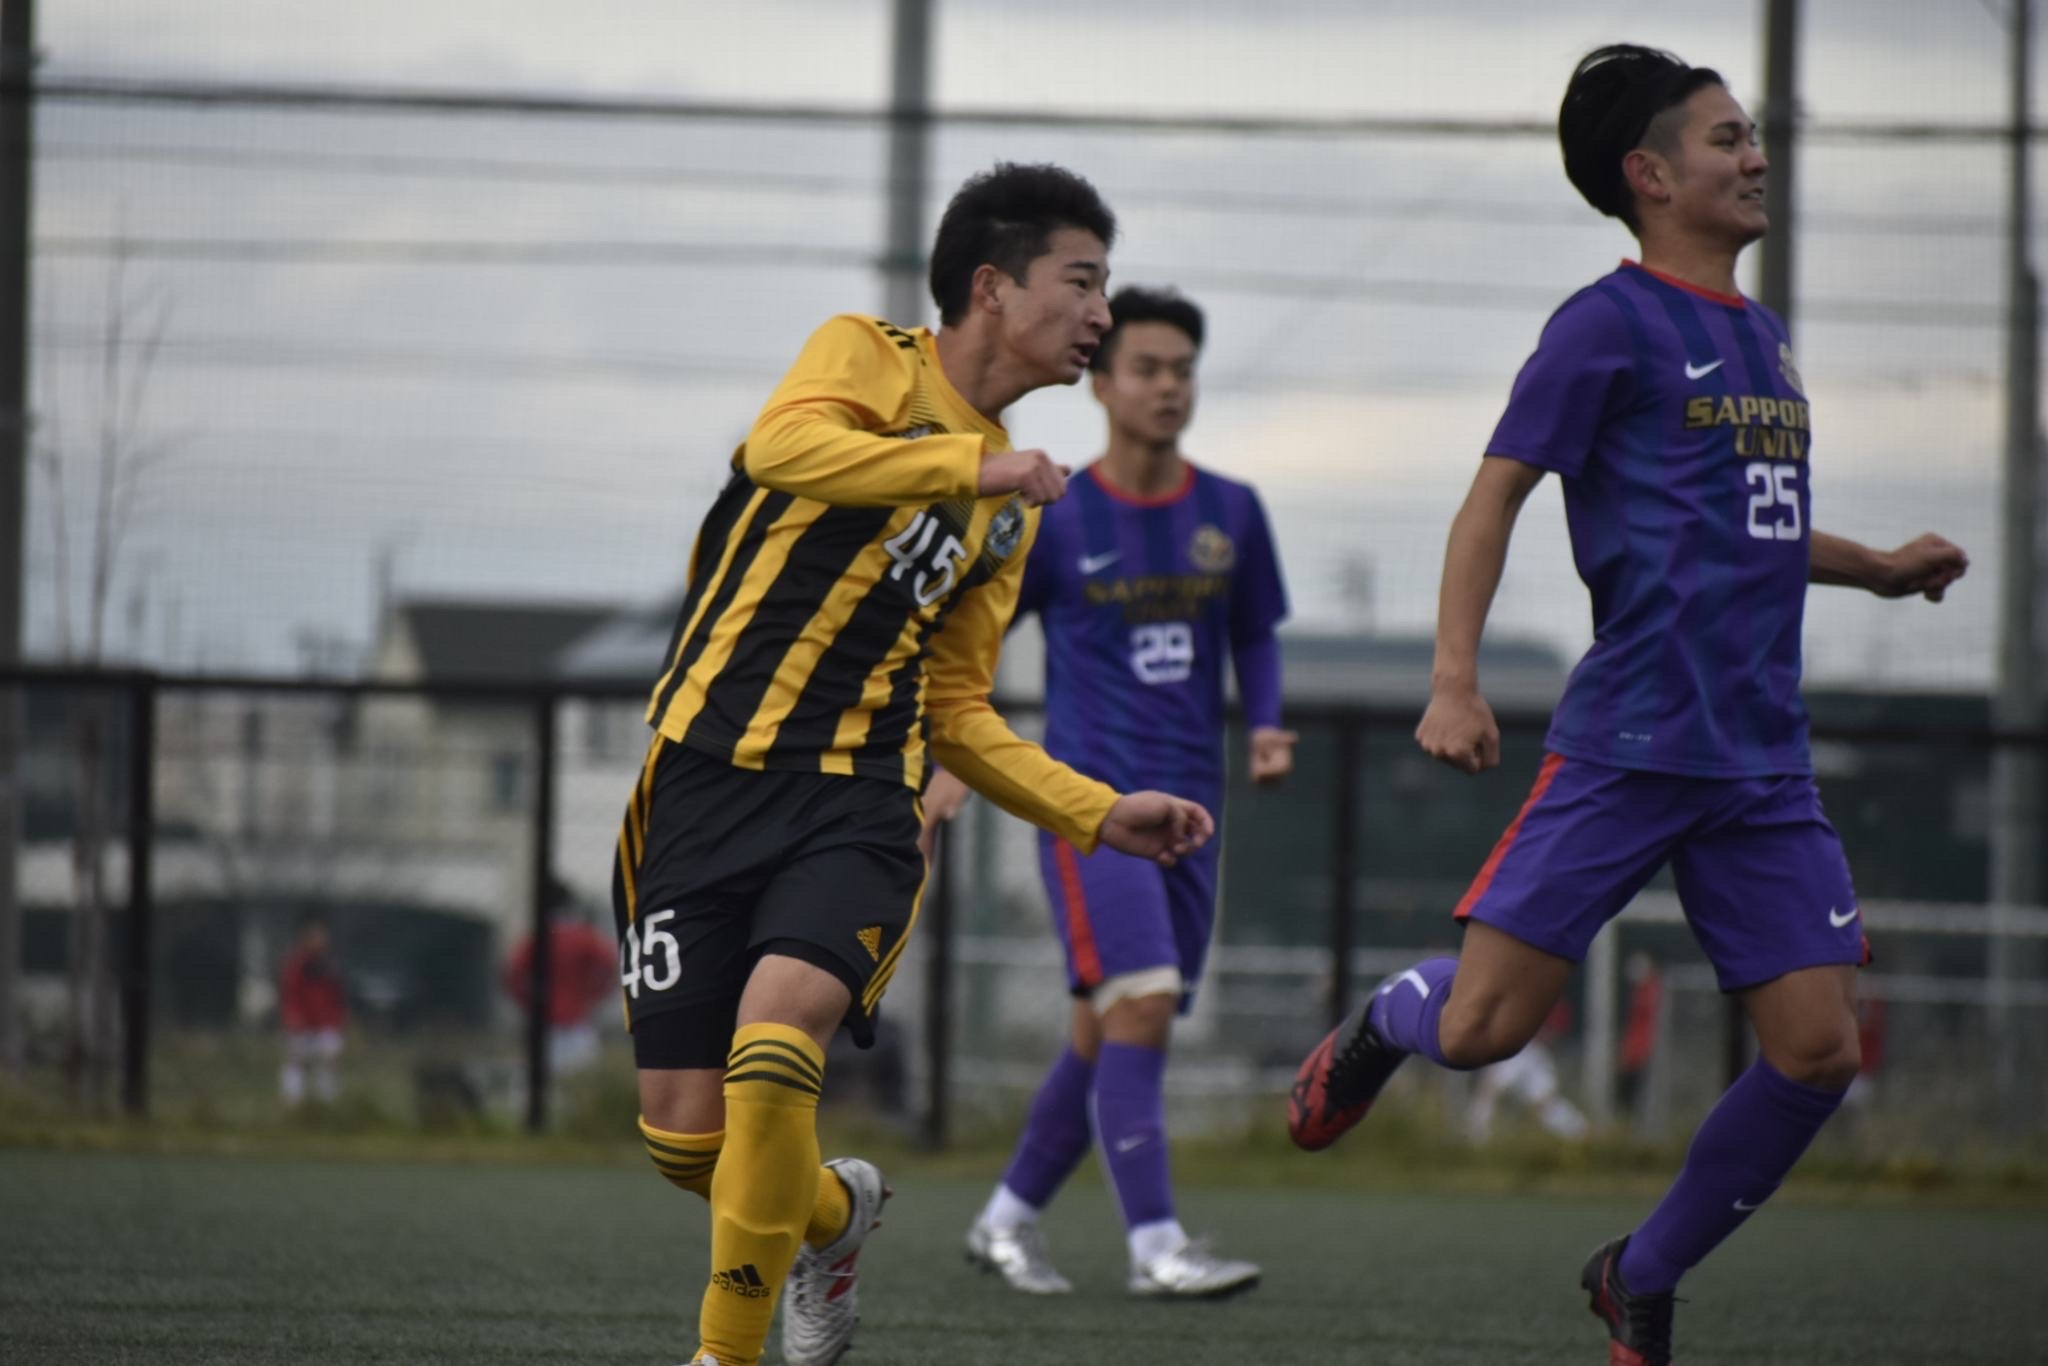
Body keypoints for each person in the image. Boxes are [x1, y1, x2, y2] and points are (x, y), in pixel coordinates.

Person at [1285, 45, 1969, 1366]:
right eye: (1727, 139)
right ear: (1649, 175)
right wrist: (1451, 678)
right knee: (1482, 1030)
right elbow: (1492, 495)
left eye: (1752, 134)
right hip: (1630, 742)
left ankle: (1636, 1273)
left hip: (1758, 760)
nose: (1755, 155)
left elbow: (1744, 524)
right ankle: (1387, 1015)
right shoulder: (1602, 324)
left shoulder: (1760, 337)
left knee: (1817, 1052)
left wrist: (1876, 568)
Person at [611, 162, 1214, 1366]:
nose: (1100, 313)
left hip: (856, 806)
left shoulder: (1011, 505)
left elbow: (954, 709)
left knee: (774, 1050)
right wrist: (967, 465)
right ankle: (831, 1218)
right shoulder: (868, 358)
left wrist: (1096, 811)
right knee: (686, 1141)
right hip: (694, 786)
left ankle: (722, 1356)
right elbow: (783, 448)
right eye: (1080, 281)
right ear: (991, 287)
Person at [933, 286, 1290, 1299]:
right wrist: (953, 764)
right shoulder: (1056, 517)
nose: (1168, 386)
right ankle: (1156, 1248)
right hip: (1087, 814)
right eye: (1146, 368)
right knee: (1142, 1006)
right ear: (1099, 383)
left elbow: (1254, 631)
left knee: (1105, 1032)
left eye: (1182, 369)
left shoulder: (1232, 511)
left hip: (1193, 816)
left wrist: (1265, 722)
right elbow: (973, 647)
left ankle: (1003, 1222)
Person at [503, 895, 618, 1077]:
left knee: (543, 1075)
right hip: (578, 1018)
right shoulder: (585, 937)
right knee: (582, 1075)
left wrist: (526, 1001)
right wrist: (597, 994)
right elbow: (610, 965)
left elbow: (514, 972)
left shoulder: (540, 937)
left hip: (546, 1018)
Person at [1464, 1000, 1588, 1144]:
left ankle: (1580, 1133)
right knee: (1490, 1089)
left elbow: (1553, 1026)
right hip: (1519, 1048)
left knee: (1544, 1102)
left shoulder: (1550, 999)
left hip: (1533, 1051)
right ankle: (1476, 1135)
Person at [277, 916, 346, 1108]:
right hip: (301, 1024)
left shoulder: (330, 965)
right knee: (296, 1062)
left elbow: (337, 996)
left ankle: (328, 1103)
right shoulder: (296, 964)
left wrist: (337, 1020)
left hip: (325, 1023)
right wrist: (292, 1017)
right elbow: (290, 994)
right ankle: (293, 1102)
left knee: (330, 1063)